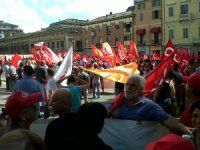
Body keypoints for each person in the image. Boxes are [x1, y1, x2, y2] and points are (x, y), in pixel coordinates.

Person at [108, 74, 190, 135]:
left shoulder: (149, 106)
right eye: (127, 84)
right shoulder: (117, 102)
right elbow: (107, 114)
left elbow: (169, 121)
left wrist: (188, 131)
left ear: (141, 89)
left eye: (132, 85)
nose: (128, 88)